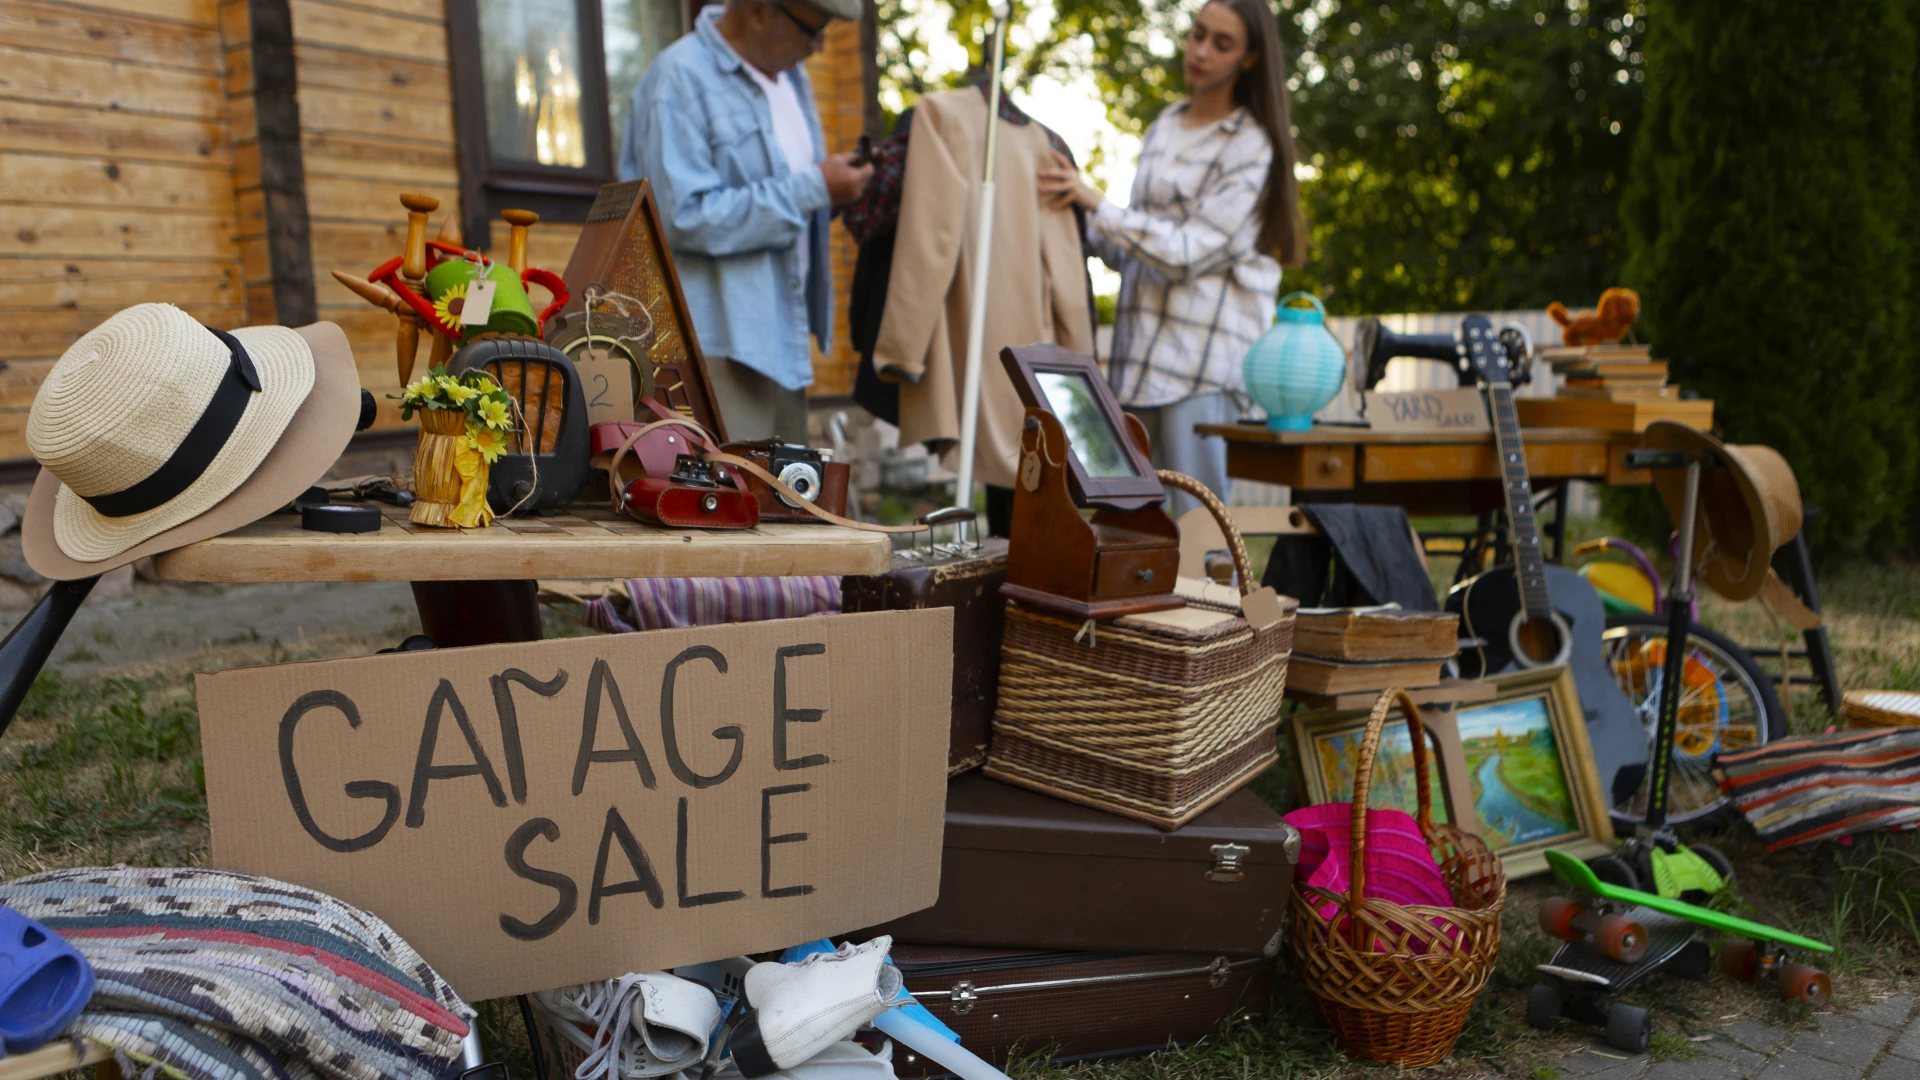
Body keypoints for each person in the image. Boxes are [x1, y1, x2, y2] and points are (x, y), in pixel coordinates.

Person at [1038, 0, 1305, 514]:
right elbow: (1131, 251)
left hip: (1199, 375)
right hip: (1137, 368)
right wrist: (1073, 217)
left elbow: (1186, 255)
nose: (1201, 51)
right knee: (1130, 540)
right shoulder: (1164, 126)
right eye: (1198, 34)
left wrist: (1095, 201)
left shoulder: (1251, 146)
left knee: (1201, 539)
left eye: (1221, 43)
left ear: (1250, 58)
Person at [622, 0, 872, 442]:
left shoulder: (794, 77)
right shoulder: (679, 78)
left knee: (781, 505)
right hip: (713, 350)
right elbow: (685, 218)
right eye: (812, 30)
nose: (818, 47)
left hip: (783, 345)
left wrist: (836, 190)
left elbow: (785, 199)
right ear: (759, 11)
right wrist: (814, 188)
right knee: (726, 504)